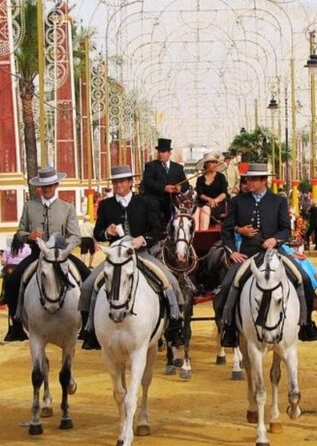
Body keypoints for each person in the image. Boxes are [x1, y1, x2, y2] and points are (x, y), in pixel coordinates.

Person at [214, 162, 317, 347]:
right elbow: (226, 231)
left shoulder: (278, 200)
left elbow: (285, 229)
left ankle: (307, 323)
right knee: (228, 283)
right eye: (248, 179)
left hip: (274, 252)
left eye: (253, 179)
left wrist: (275, 240)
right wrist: (233, 251)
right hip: (247, 254)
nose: (249, 182)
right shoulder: (237, 201)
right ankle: (228, 328)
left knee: (303, 278)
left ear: (263, 181)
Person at [78, 165, 185, 351]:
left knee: (171, 282)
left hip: (141, 254)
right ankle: (89, 329)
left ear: (130, 183)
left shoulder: (146, 203)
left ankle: (174, 327)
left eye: (122, 181)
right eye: (115, 181)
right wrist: (107, 232)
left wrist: (142, 239)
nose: (118, 185)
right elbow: (98, 232)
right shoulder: (105, 205)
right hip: (115, 255)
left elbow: (158, 231)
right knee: (88, 285)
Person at [3, 167, 91, 342]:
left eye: (50, 185)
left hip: (61, 254)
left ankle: (88, 327)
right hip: (37, 254)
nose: (48, 188)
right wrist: (29, 236)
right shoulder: (29, 206)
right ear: (39, 188)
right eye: (44, 186)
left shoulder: (68, 208)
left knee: (88, 278)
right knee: (12, 281)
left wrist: (66, 248)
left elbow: (75, 236)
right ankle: (17, 326)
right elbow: (19, 233)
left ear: (56, 185)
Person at [141, 137, 191, 224]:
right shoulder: (150, 166)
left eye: (163, 152)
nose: (160, 154)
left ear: (169, 153)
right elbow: (147, 182)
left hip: (173, 200)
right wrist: (164, 188)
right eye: (159, 152)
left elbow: (186, 184)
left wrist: (180, 187)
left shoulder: (178, 168)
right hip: (155, 200)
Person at [194, 151, 229, 230]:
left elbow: (224, 193)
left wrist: (214, 201)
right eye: (212, 162)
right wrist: (209, 199)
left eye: (215, 162)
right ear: (206, 164)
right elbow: (200, 194)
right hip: (203, 203)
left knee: (205, 209)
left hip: (218, 204)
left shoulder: (221, 177)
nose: (214, 164)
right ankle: (196, 237)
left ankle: (203, 236)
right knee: (196, 211)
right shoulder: (200, 179)